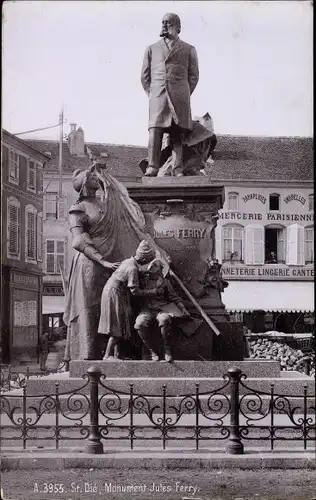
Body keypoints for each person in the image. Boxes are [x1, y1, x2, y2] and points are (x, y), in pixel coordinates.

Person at [63, 166, 121, 361]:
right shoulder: (78, 209)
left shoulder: (105, 204)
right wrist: (101, 260)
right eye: (92, 177)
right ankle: (88, 355)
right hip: (90, 265)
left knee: (111, 307)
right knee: (89, 309)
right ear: (84, 184)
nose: (96, 178)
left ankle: (111, 353)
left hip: (110, 263)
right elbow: (78, 240)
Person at [141, 13, 199, 177]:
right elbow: (145, 77)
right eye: (163, 23)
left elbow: (193, 76)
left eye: (169, 23)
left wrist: (184, 93)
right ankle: (152, 166)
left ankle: (177, 168)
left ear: (178, 27)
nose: (165, 25)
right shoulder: (152, 49)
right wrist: (153, 95)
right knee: (155, 131)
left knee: (178, 133)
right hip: (158, 96)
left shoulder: (189, 49)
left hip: (180, 97)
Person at [98, 241, 161, 360]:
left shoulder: (129, 261)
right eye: (148, 261)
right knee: (116, 325)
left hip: (116, 293)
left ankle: (117, 355)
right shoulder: (132, 268)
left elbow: (139, 271)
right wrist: (152, 292)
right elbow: (135, 291)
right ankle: (108, 355)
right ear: (143, 259)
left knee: (121, 324)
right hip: (115, 294)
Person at [134, 259, 190, 362]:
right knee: (139, 323)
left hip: (162, 309)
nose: (151, 267)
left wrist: (183, 309)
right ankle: (151, 350)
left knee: (164, 319)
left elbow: (174, 297)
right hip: (147, 310)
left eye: (155, 265)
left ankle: (167, 349)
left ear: (160, 269)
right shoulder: (143, 281)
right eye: (150, 265)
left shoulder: (165, 282)